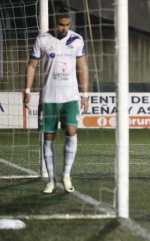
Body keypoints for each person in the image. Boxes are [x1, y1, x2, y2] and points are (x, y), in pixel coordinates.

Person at [24, 10, 89, 193]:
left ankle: (66, 175)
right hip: (49, 97)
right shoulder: (43, 39)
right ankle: (51, 180)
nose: (64, 28)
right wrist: (27, 90)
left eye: (67, 25)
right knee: (48, 136)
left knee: (71, 130)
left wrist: (85, 95)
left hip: (70, 97)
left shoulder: (76, 40)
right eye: (61, 24)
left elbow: (83, 68)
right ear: (55, 23)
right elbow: (32, 65)